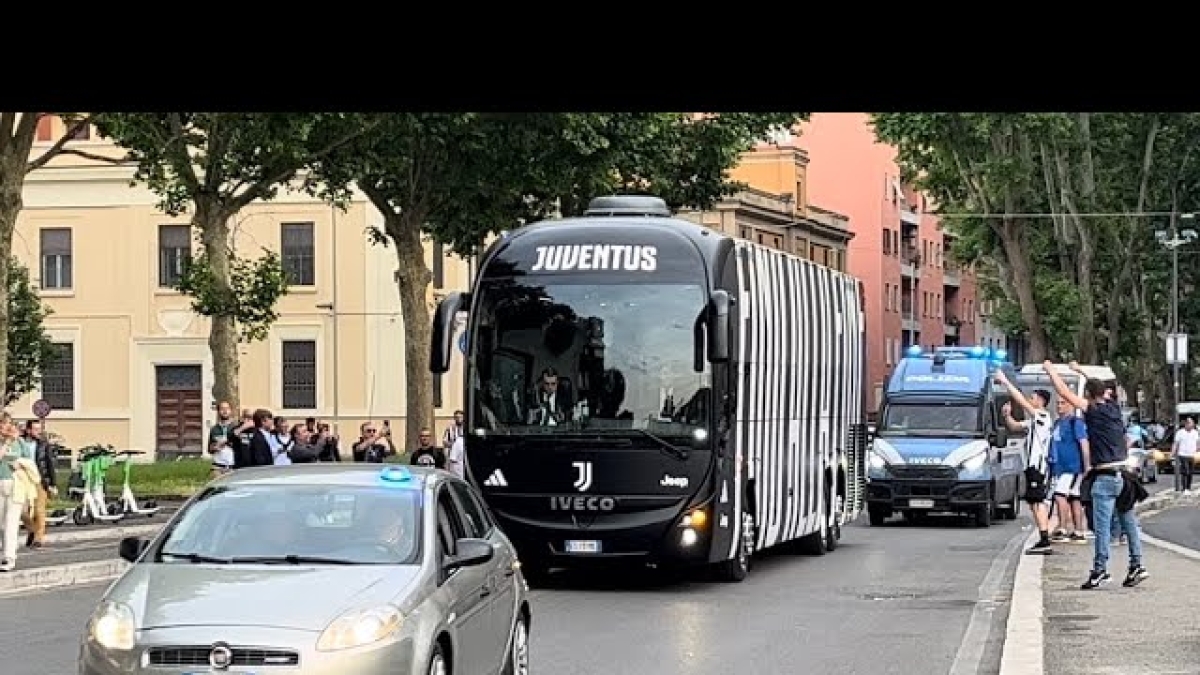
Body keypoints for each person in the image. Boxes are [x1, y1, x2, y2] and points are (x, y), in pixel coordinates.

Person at [1046, 360, 1149, 590]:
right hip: (1125, 476)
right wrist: (1080, 370)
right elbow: (1098, 387)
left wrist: (1051, 370)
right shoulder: (1114, 409)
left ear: (1089, 396)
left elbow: (1063, 392)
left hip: (1104, 477)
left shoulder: (1093, 411)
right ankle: (1137, 565)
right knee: (1128, 522)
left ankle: (1100, 570)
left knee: (1102, 527)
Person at [996, 369, 1054, 554]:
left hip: (1038, 466)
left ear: (1041, 401)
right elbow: (1015, 426)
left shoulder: (1043, 417)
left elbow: (1021, 401)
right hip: (1030, 466)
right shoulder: (1034, 422)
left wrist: (1005, 382)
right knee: (1032, 502)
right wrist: (1007, 415)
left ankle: (1045, 538)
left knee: (1038, 502)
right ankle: (1042, 536)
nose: (1030, 399)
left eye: (1033, 397)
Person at [1047, 396, 1089, 543]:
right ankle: (1078, 531)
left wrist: (1086, 466)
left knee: (1059, 495)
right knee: (1074, 498)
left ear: (1071, 405)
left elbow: (1084, 444)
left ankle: (1063, 528)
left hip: (1072, 467)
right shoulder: (1058, 423)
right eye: (1058, 403)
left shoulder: (1075, 423)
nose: (1059, 406)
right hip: (1060, 467)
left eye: (1063, 403)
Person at [0, 413, 37, 572]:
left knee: (11, 521)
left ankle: (9, 557)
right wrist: (6, 442)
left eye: (9, 424)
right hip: (1, 483)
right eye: (3, 425)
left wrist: (20, 463)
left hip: (16, 485)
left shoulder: (20, 442)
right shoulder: (4, 442)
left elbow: (30, 462)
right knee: (1, 523)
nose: (6, 428)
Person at [21, 420, 56, 549]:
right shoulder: (20, 443)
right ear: (28, 430)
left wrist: (53, 483)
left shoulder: (43, 445)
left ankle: (38, 538)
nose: (38, 432)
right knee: (23, 510)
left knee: (39, 509)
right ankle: (32, 529)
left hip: (40, 480)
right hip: (23, 480)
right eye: (35, 429)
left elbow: (49, 464)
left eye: (39, 429)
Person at [208, 400, 237, 478]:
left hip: (232, 467)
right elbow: (209, 449)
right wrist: (214, 447)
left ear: (231, 411)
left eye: (227, 408)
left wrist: (228, 443)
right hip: (217, 467)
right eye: (222, 409)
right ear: (218, 411)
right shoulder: (214, 429)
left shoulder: (236, 427)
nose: (225, 411)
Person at [1173, 416, 1197, 493]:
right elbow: (1176, 443)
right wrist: (1173, 452)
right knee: (1185, 471)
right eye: (1190, 423)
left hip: (1192, 455)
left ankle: (1188, 487)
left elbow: (1198, 443)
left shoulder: (1195, 432)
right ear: (1186, 424)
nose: (1192, 425)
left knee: (1190, 472)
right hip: (1183, 454)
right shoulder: (1180, 432)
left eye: (1192, 423)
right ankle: (1184, 488)